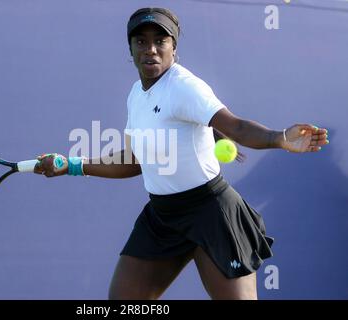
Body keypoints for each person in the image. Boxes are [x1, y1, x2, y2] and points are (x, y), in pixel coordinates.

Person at [34, 7, 329, 300]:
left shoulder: (186, 87)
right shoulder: (136, 94)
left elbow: (235, 125)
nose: (151, 49)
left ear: (173, 47)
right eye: (141, 41)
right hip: (162, 218)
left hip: (211, 213)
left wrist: (279, 139)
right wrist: (72, 165)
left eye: (160, 41)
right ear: (131, 49)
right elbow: (135, 160)